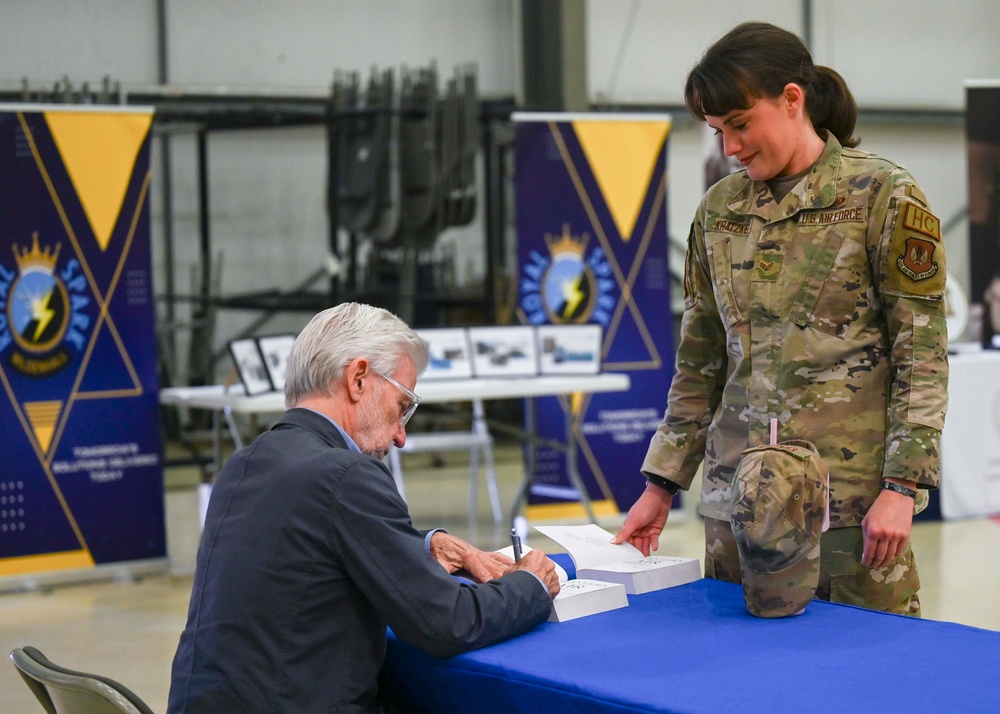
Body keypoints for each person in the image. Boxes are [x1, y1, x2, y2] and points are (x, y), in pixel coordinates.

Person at [613, 21, 948, 616]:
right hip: (734, 503)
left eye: (740, 125)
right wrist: (661, 484)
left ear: (792, 99)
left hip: (846, 505)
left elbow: (920, 356)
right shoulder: (719, 212)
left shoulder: (882, 196)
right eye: (718, 131)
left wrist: (902, 488)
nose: (731, 148)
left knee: (861, 674)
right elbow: (699, 362)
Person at [167, 303, 559, 713]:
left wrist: (422, 548)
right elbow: (448, 624)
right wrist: (528, 584)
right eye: (402, 405)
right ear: (357, 379)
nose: (402, 435)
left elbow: (303, 556)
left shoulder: (243, 465)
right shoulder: (346, 474)